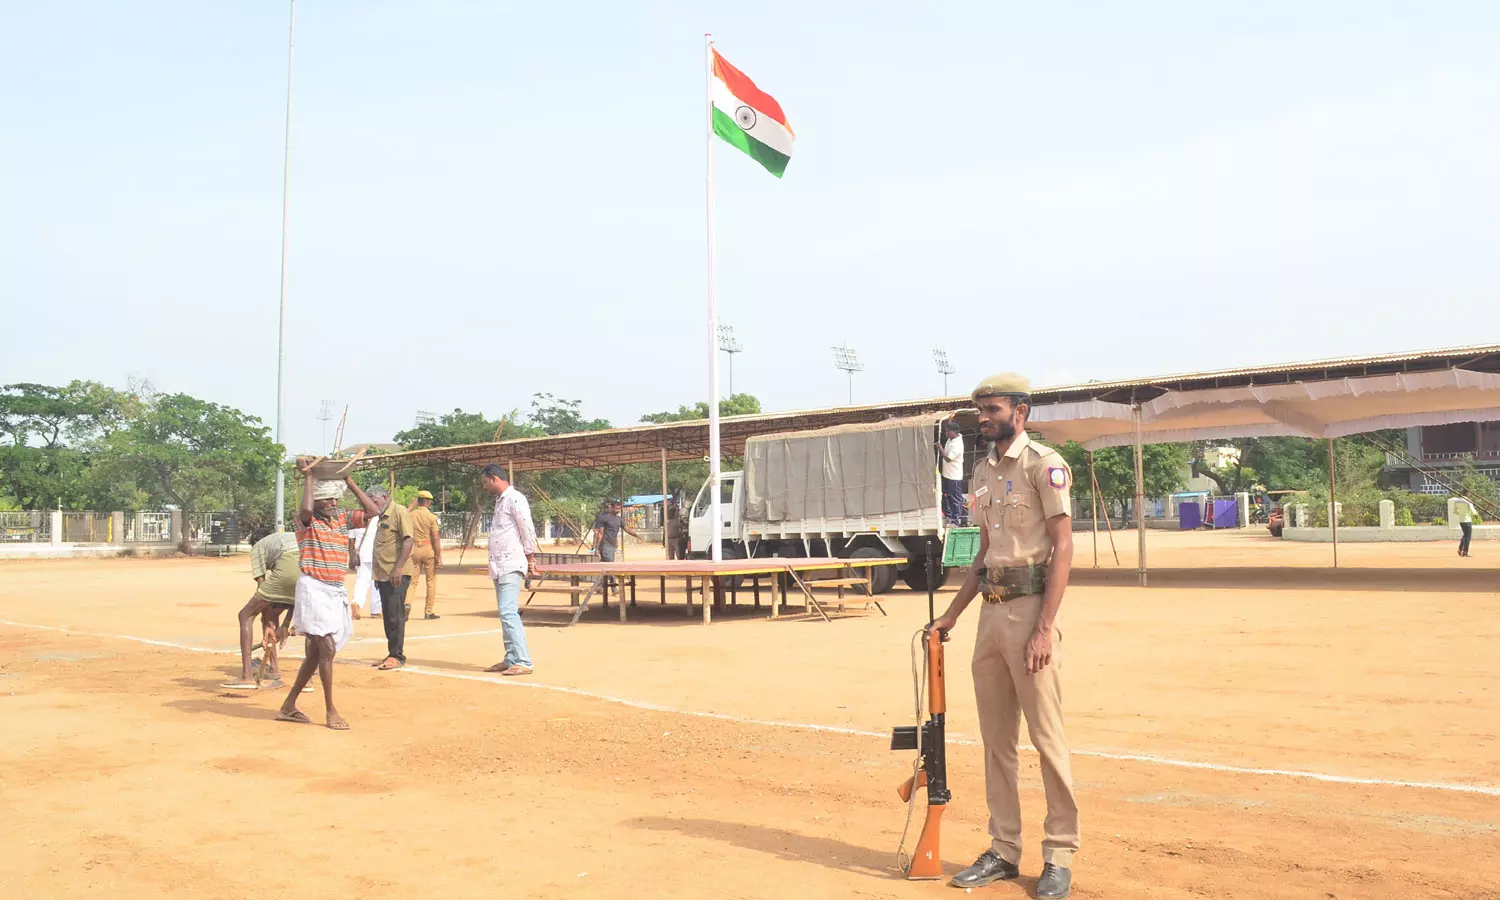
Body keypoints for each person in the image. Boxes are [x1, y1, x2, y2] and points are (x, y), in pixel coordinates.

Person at [929, 373, 1078, 900]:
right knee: (996, 742)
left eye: (991, 408)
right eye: (979, 410)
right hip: (990, 617)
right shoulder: (981, 473)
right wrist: (950, 616)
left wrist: (1043, 629)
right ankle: (1004, 848)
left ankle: (1059, 853)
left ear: (1022, 411)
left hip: (1031, 612)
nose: (983, 417)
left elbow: (1063, 549)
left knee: (1045, 738)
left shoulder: (1045, 466)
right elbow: (984, 553)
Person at [278, 463, 381, 730]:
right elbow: (306, 509)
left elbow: (374, 511)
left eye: (336, 497)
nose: (333, 502)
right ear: (318, 501)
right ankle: (330, 711)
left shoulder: (342, 518)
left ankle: (289, 705)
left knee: (315, 654)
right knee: (327, 649)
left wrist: (348, 480)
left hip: (334, 590)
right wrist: (310, 478)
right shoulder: (305, 522)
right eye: (328, 498)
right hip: (314, 588)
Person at [221, 527, 299, 690]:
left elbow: (262, 585)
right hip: (308, 572)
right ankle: (274, 669)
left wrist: (267, 617)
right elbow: (294, 596)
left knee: (245, 615)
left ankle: (247, 676)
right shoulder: (289, 537)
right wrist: (284, 624)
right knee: (270, 612)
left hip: (288, 567)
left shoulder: (258, 546)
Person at [479, 463, 538, 676]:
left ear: (494, 478)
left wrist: (531, 558)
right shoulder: (500, 502)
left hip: (511, 563)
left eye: (485, 482)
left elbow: (527, 529)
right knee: (504, 613)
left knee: (508, 612)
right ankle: (511, 657)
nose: (484, 487)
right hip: (499, 565)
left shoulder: (515, 499)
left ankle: (523, 660)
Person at [369, 487, 415, 671]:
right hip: (382, 573)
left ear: (385, 497)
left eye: (374, 501)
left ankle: (397, 655)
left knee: (395, 615)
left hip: (396, 573)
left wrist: (398, 568)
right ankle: (391, 653)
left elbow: (408, 540)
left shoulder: (400, 512)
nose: (372, 505)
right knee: (388, 615)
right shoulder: (381, 517)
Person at [406, 489, 443, 619]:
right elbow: (435, 537)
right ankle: (428, 611)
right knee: (431, 581)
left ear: (418, 501)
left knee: (412, 581)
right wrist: (439, 556)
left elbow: (403, 514)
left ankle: (407, 604)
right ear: (428, 502)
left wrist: (412, 505)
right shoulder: (432, 517)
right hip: (428, 548)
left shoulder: (411, 515)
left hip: (414, 548)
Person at [938, 419, 966, 524]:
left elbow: (948, 459)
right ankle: (949, 517)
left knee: (955, 498)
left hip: (954, 476)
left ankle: (956, 520)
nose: (946, 433)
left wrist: (940, 449)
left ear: (954, 432)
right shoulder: (951, 439)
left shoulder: (957, 444)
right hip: (947, 474)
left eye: (948, 431)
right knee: (946, 496)